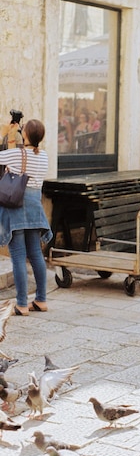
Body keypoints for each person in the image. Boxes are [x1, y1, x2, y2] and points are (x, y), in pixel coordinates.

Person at [0, 119, 52, 315]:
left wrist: (4, 133)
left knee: (19, 256)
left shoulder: (17, 155)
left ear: (26, 135)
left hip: (16, 208)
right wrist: (14, 138)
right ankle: (41, 300)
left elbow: (7, 158)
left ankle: (22, 304)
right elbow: (21, 158)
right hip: (34, 208)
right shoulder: (44, 156)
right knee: (36, 254)